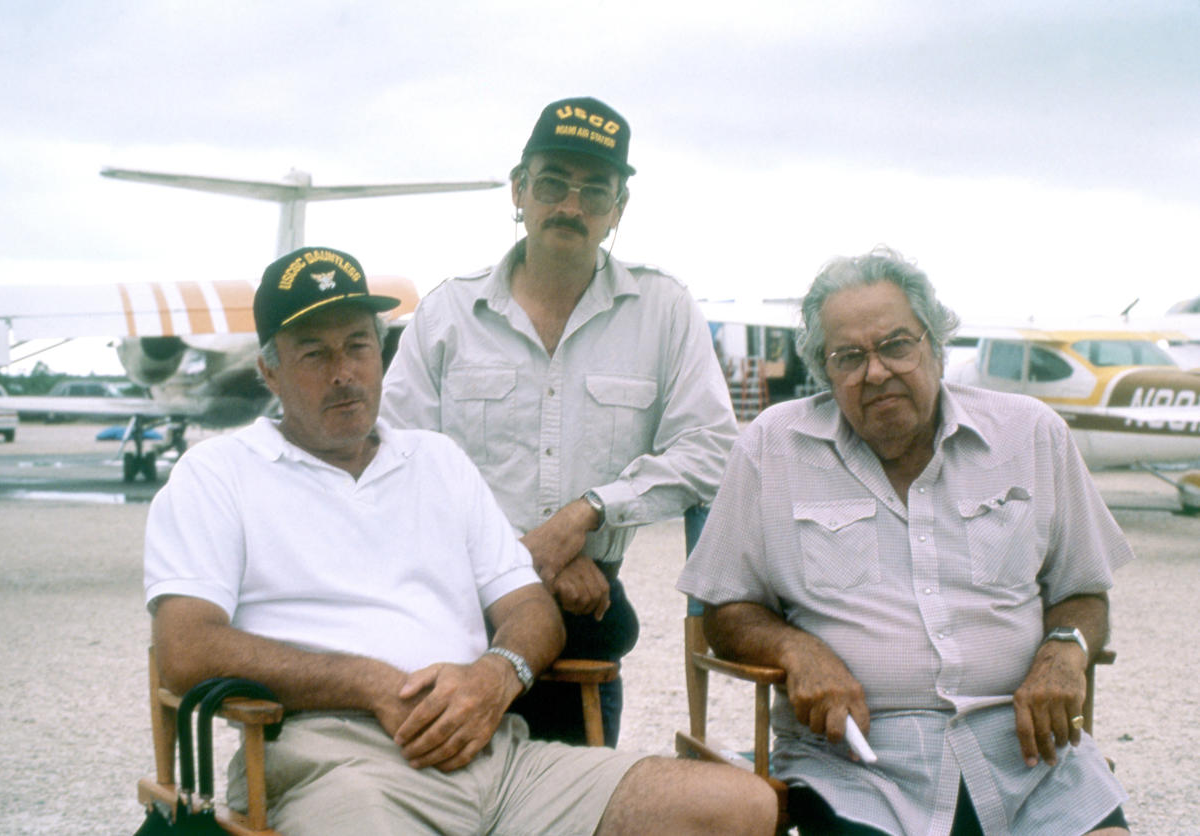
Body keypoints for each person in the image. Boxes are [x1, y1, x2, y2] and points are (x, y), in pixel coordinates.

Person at [144, 246, 776, 836]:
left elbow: (530, 609)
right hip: (336, 765)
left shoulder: (436, 461)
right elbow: (186, 649)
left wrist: (497, 676)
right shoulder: (217, 474)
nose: (344, 373)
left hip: (497, 754)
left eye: (358, 346)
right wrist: (370, 683)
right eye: (314, 354)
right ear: (269, 371)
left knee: (742, 808)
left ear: (382, 354)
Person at [677, 247, 1132, 835]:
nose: (876, 372)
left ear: (936, 346)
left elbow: (1083, 591)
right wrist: (797, 651)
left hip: (1028, 759)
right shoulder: (773, 447)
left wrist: (1065, 649)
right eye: (848, 357)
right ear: (823, 371)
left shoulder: (1031, 434)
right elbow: (726, 609)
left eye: (896, 345)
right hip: (857, 766)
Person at [381, 96, 738, 746]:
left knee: (574, 808)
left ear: (618, 210)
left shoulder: (662, 311)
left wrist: (586, 514)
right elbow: (393, 464)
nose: (571, 206)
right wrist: (525, 557)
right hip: (456, 606)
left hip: (586, 606)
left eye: (594, 191)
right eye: (552, 184)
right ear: (518, 190)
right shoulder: (448, 315)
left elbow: (712, 448)